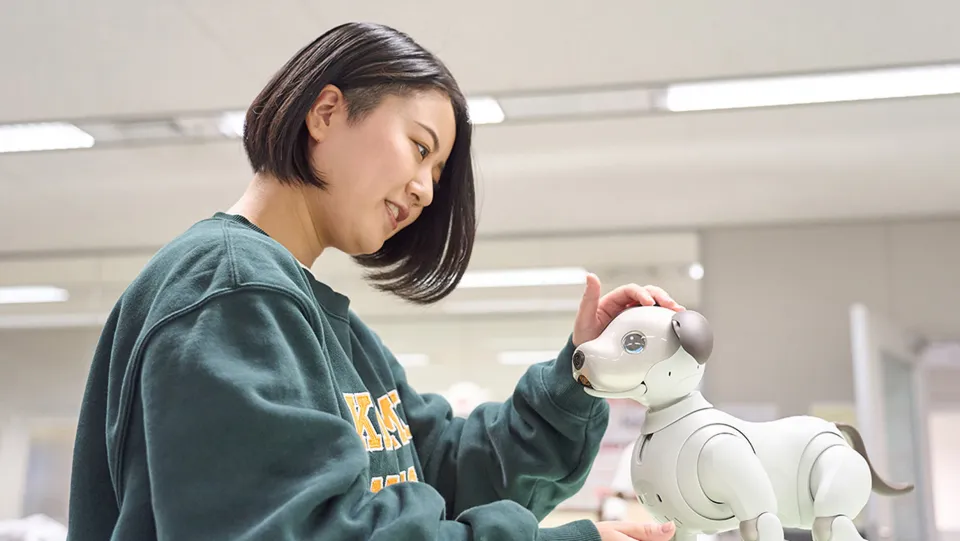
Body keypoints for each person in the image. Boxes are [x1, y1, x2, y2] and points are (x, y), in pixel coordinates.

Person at [66, 22, 684, 541]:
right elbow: (306, 530)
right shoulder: (233, 292)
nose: (426, 189)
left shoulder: (326, 326)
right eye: (420, 149)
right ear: (327, 111)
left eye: (438, 171)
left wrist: (582, 373)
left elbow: (448, 468)